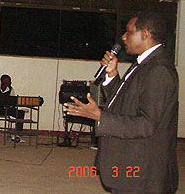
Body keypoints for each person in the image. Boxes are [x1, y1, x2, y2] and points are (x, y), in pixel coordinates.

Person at [64, 11, 178, 194]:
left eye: (129, 31)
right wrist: (112, 75)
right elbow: (126, 102)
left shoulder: (159, 70)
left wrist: (100, 116)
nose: (123, 37)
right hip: (131, 169)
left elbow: (147, 125)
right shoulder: (143, 64)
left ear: (145, 34)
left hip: (142, 175)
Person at [0, 74, 24, 142]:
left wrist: (12, 105)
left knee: (20, 113)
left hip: (7, 110)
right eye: (8, 81)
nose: (10, 83)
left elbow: (13, 100)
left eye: (9, 81)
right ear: (3, 82)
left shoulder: (10, 89)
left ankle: (17, 135)